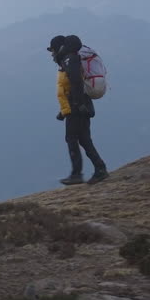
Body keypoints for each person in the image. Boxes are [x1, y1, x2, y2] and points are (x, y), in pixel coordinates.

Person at [48, 35, 108, 186]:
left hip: (77, 107)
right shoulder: (70, 59)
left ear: (59, 48)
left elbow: (75, 81)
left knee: (72, 138)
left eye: (53, 50)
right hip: (79, 105)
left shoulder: (70, 59)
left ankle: (77, 174)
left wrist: (78, 104)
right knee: (84, 139)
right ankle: (100, 169)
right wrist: (63, 111)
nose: (52, 54)